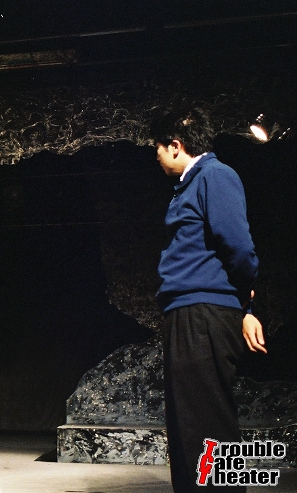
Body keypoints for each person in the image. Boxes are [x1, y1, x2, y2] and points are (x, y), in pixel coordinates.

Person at [150, 107, 266, 492]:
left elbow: (240, 248)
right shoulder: (190, 183)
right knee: (188, 427)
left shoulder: (215, 176)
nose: (156, 156)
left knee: (208, 423)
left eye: (158, 148)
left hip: (203, 314)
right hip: (187, 312)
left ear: (176, 145)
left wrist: (245, 304)